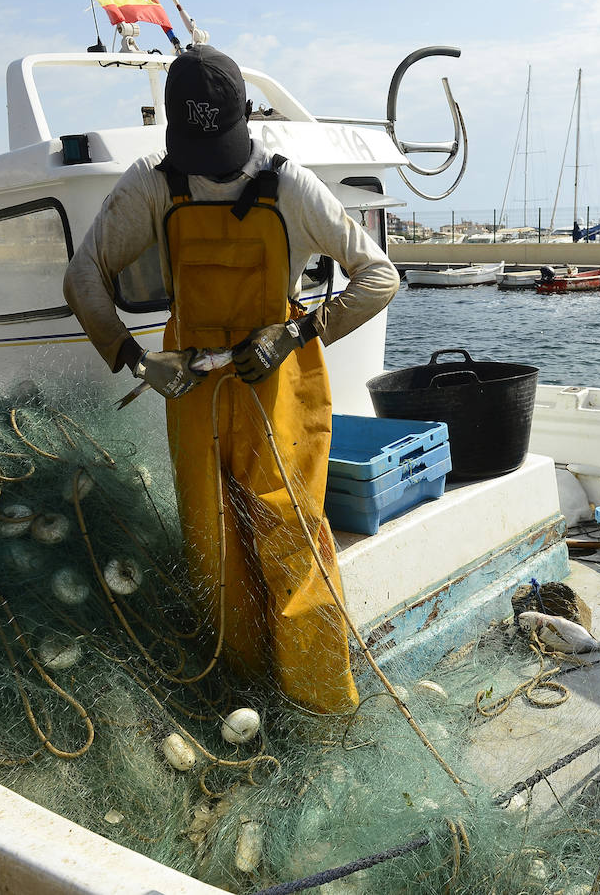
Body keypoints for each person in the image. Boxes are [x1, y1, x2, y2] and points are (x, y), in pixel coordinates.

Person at [64, 45, 399, 714]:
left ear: (245, 119)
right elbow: (83, 279)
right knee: (211, 551)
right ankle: (243, 700)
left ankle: (322, 709)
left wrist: (297, 332)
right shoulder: (153, 184)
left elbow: (380, 276)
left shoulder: (291, 186)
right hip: (191, 388)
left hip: (279, 387)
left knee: (294, 546)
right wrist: (137, 361)